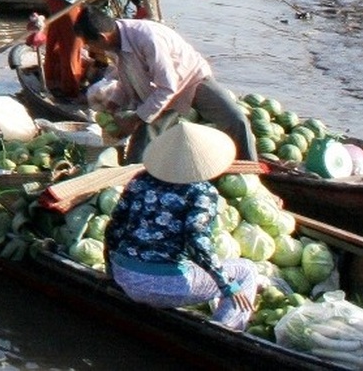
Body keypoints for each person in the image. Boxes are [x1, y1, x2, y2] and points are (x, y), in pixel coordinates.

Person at [105, 121, 257, 331]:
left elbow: (114, 227)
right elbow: (196, 240)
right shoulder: (201, 192)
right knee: (246, 270)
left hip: (124, 275)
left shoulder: (140, 180)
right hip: (164, 285)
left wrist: (111, 270)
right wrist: (227, 285)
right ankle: (226, 330)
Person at [73, 4, 258, 161]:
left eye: (89, 44)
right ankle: (136, 180)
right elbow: (127, 77)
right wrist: (115, 102)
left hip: (190, 79)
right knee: (140, 150)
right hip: (157, 91)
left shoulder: (147, 39)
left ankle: (250, 169)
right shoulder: (114, 43)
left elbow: (168, 88)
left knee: (236, 120)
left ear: (102, 37)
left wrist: (135, 118)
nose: (90, 49)